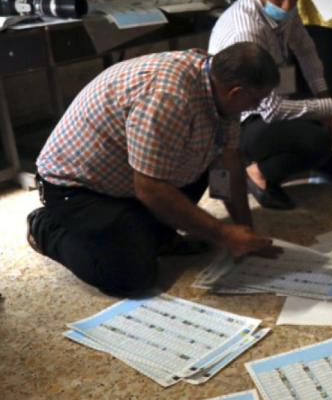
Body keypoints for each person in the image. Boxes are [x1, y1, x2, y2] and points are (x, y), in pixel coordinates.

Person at [27, 43, 283, 296]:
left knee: (198, 175)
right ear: (235, 93)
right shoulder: (169, 97)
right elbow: (149, 188)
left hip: (131, 177)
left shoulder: (218, 83)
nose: (256, 107)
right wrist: (224, 234)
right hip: (77, 188)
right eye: (256, 100)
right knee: (132, 276)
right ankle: (46, 227)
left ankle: (152, 233)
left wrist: (245, 230)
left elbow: (229, 161)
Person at [210, 0, 332, 211]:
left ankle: (308, 153)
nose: (287, 5)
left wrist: (324, 101)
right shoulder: (246, 31)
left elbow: (306, 51)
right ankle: (257, 172)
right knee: (317, 140)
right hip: (239, 120)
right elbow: (271, 110)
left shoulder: (284, 7)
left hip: (269, 99)